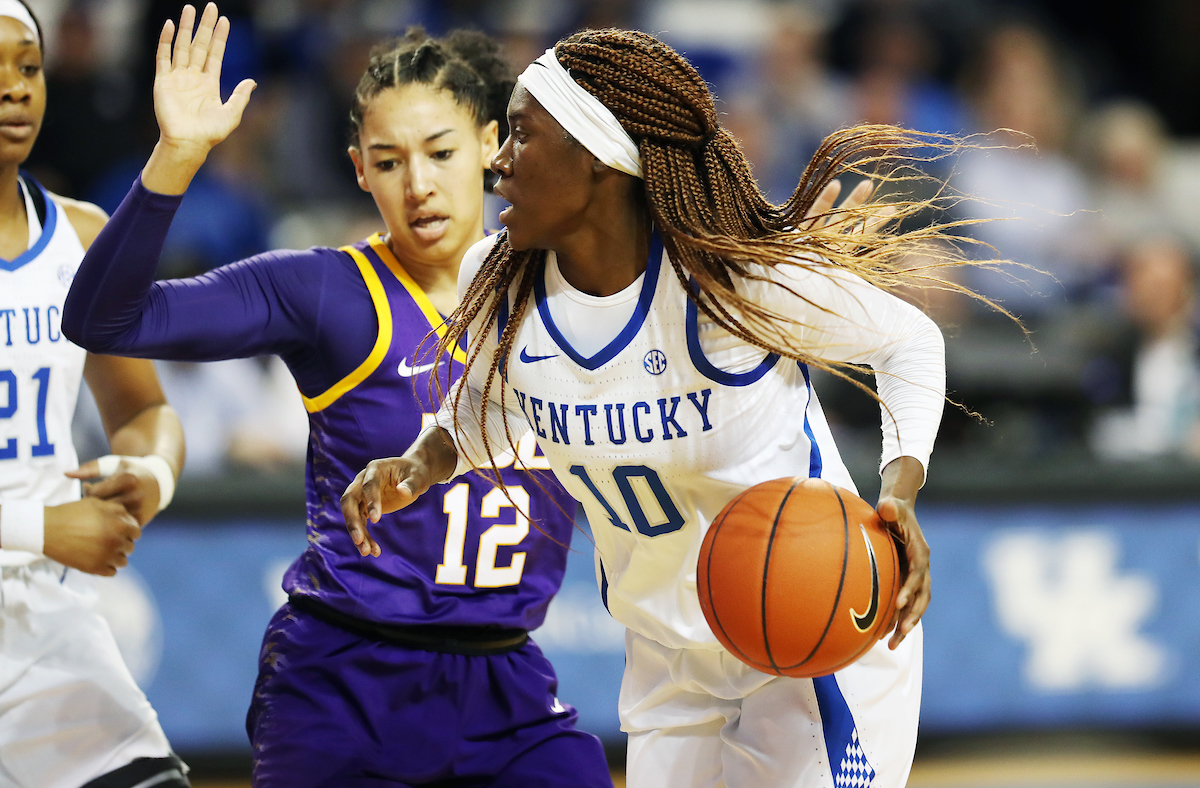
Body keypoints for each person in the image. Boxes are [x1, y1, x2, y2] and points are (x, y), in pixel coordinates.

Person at [343, 29, 951, 788]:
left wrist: (899, 494)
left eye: (523, 136)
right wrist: (419, 463)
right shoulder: (500, 282)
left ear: (597, 159)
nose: (497, 160)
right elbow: (485, 414)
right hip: (667, 657)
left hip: (811, 635)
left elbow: (909, 343)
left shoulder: (730, 280)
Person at [62, 4, 612, 786]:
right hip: (346, 679)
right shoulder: (326, 292)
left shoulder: (572, 296)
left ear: (493, 146)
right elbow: (104, 316)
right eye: (388, 162)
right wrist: (178, 156)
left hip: (506, 683)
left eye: (441, 151)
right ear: (360, 171)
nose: (418, 183)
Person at [0, 2, 188, 787]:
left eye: (29, 68)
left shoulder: (81, 236)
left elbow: (144, 411)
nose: (15, 90)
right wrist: (38, 525)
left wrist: (151, 475)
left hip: (42, 619)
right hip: (43, 543)